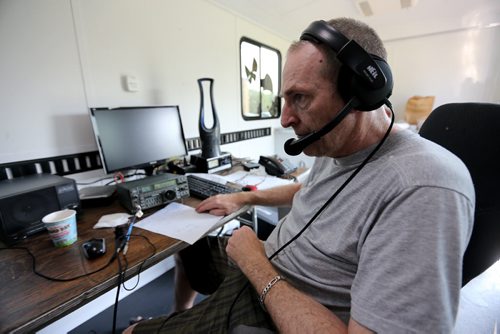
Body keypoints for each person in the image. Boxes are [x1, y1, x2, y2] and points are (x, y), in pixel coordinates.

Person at [125, 17, 474, 333]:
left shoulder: (423, 186)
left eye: (301, 98)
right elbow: (306, 190)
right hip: (264, 267)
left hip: (274, 302)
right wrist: (243, 197)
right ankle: (179, 316)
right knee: (193, 248)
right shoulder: (335, 144)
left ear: (361, 94)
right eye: (285, 99)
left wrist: (254, 261)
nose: (285, 119)